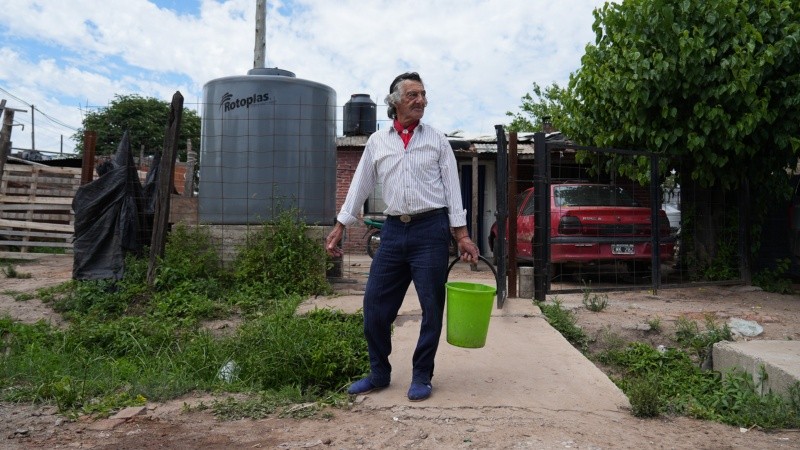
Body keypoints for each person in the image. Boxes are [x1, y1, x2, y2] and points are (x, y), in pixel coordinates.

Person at [325, 72, 480, 402]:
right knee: (375, 306)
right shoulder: (377, 142)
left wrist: (462, 235)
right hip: (393, 232)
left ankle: (422, 374)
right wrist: (340, 226)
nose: (421, 100)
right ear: (394, 102)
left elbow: (453, 191)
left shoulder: (436, 140)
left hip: (431, 230)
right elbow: (360, 186)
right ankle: (379, 372)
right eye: (413, 95)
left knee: (431, 307)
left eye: (424, 94)